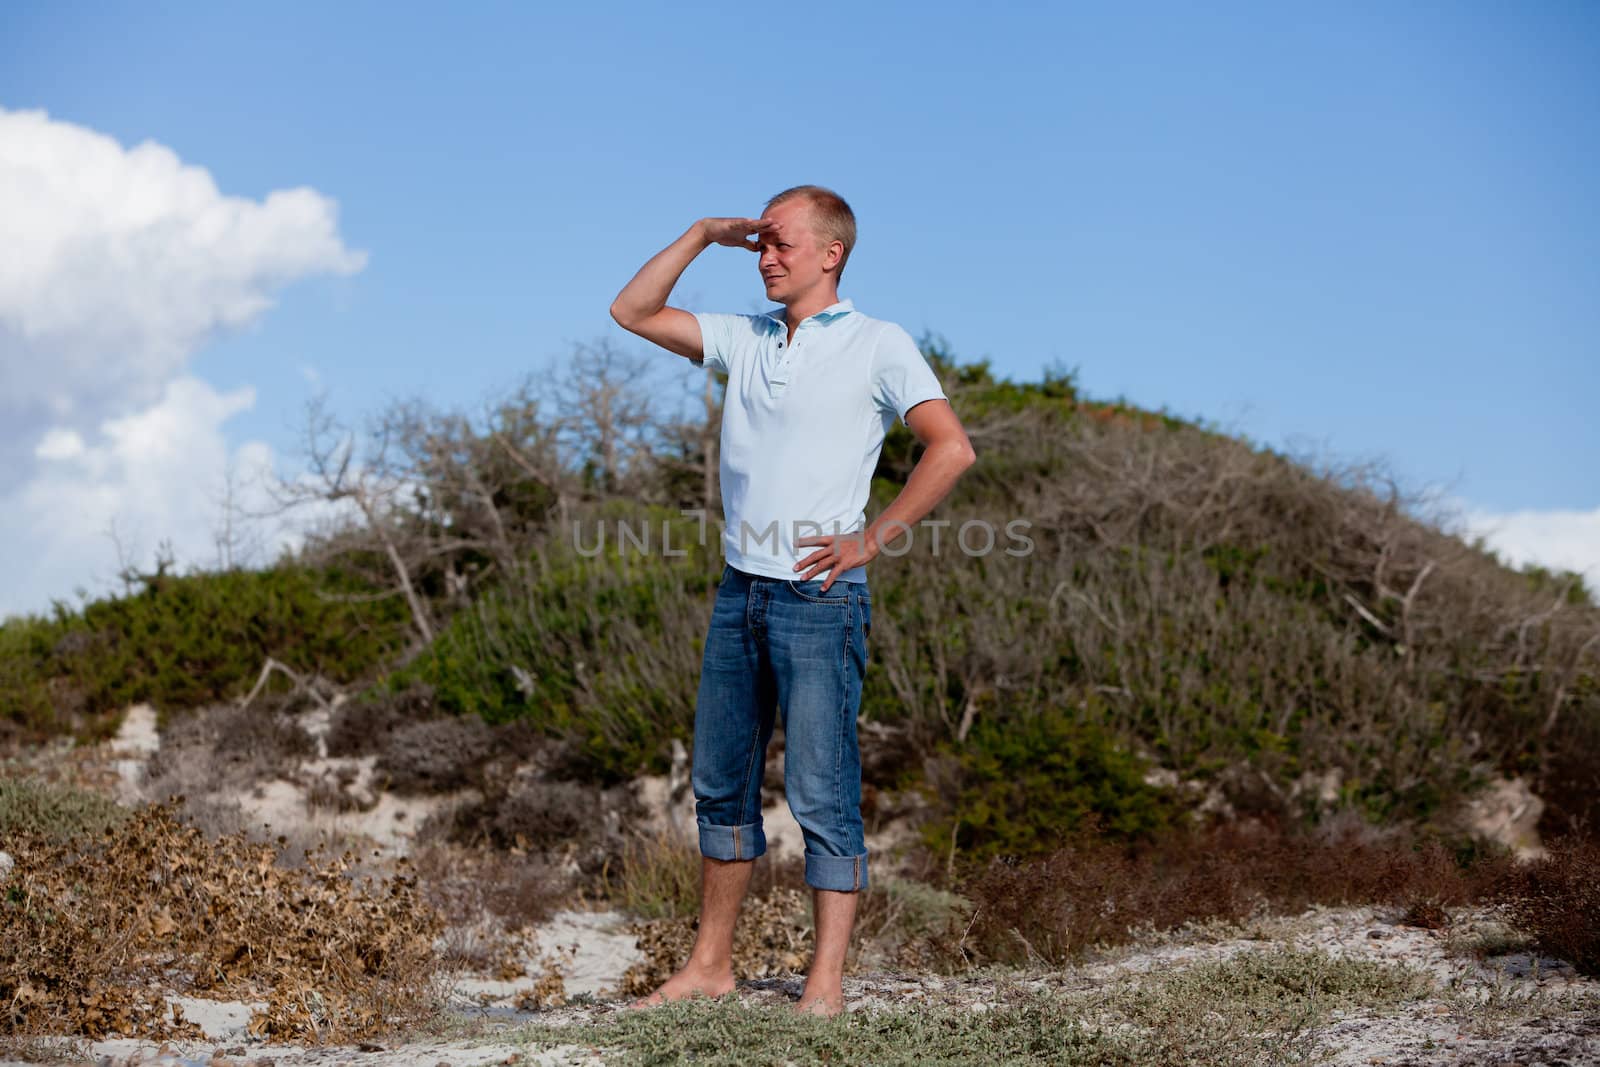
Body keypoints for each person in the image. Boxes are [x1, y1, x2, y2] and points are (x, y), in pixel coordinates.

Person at [609, 185, 976, 1017]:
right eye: (759, 244)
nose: (766, 257)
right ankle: (710, 966)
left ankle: (825, 984)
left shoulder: (881, 344)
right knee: (722, 783)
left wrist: (869, 538)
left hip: (822, 598)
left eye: (780, 243)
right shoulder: (745, 339)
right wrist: (705, 233)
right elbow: (631, 310)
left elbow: (952, 448)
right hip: (741, 593)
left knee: (820, 789)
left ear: (830, 253)